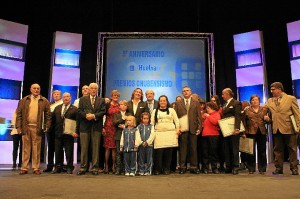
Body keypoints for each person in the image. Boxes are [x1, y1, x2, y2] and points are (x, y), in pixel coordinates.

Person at [265, 82, 300, 175]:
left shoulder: (290, 98)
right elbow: (263, 110)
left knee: (292, 148)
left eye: (273, 89)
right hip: (276, 127)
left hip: (289, 127)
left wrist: (298, 126)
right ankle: (278, 168)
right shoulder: (270, 101)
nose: (271, 91)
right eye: (271, 89)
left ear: (279, 89)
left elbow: (297, 114)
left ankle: (294, 168)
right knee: (277, 149)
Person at [16, 83, 51, 175]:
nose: (36, 90)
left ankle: (36, 167)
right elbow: (19, 114)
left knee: (36, 148)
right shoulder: (24, 100)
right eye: (34, 88)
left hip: (37, 128)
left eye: (38, 88)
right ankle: (24, 167)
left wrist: (47, 125)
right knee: (25, 148)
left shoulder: (44, 101)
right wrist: (18, 127)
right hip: (26, 127)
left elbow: (48, 115)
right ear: (31, 89)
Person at [77, 83, 106, 175]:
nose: (93, 90)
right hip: (84, 126)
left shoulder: (101, 100)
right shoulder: (82, 99)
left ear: (97, 90)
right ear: (89, 89)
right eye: (92, 88)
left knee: (96, 148)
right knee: (84, 148)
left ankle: (95, 168)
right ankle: (83, 168)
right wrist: (86, 116)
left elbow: (103, 111)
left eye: (95, 88)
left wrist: (93, 116)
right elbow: (79, 111)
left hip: (96, 127)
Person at [174, 86, 202, 174]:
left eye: (187, 91)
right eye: (184, 91)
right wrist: (177, 129)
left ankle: (194, 167)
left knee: (193, 149)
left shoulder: (196, 102)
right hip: (183, 130)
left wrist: (199, 128)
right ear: (182, 93)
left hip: (193, 129)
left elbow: (199, 116)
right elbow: (176, 117)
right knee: (183, 149)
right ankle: (182, 167)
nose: (185, 92)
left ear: (190, 92)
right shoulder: (178, 103)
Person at [152, 95, 180, 175]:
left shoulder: (171, 110)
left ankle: (166, 169)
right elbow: (152, 123)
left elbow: (177, 121)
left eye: (164, 100)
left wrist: (177, 130)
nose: (163, 102)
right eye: (161, 101)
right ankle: (158, 169)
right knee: (159, 153)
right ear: (159, 102)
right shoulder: (155, 111)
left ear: (167, 101)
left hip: (170, 133)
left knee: (168, 152)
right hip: (159, 133)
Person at [52, 92, 78, 174]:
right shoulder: (57, 108)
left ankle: (69, 167)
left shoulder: (74, 109)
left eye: (67, 97)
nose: (66, 98)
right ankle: (58, 167)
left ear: (70, 98)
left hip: (69, 134)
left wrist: (76, 132)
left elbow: (78, 122)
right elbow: (53, 120)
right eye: (64, 97)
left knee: (69, 151)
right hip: (58, 133)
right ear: (62, 98)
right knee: (58, 151)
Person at [243, 94, 270, 174]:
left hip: (261, 132)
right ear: (250, 101)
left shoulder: (264, 109)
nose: (255, 101)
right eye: (253, 100)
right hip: (250, 132)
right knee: (251, 151)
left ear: (259, 101)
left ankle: (262, 168)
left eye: (256, 100)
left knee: (262, 151)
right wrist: (243, 133)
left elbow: (269, 121)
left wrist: (268, 119)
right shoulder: (247, 110)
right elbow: (244, 122)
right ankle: (251, 168)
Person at [221, 88, 242, 175]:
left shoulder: (236, 103)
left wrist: (237, 128)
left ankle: (236, 166)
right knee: (227, 148)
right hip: (226, 130)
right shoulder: (225, 104)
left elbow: (238, 116)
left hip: (233, 129)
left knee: (234, 148)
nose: (222, 96)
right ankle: (228, 166)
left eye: (223, 94)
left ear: (228, 94)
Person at [44, 90, 63, 173]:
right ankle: (50, 165)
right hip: (50, 129)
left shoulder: (63, 104)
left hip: (58, 129)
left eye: (58, 94)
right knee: (50, 148)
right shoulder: (49, 104)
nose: (56, 95)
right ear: (52, 96)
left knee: (58, 148)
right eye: (54, 94)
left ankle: (58, 166)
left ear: (60, 96)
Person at [102, 90, 120, 174]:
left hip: (116, 128)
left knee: (114, 149)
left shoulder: (120, 106)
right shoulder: (107, 105)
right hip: (108, 127)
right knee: (107, 148)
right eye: (114, 95)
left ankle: (113, 166)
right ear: (111, 96)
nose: (115, 97)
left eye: (117, 95)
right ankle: (106, 166)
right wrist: (103, 127)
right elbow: (102, 116)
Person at [201, 102, 221, 174]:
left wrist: (208, 116)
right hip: (204, 135)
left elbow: (215, 122)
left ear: (213, 108)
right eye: (207, 108)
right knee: (205, 152)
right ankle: (205, 168)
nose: (207, 109)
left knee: (213, 152)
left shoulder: (216, 114)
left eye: (208, 108)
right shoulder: (206, 115)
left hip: (213, 135)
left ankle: (214, 168)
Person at [113, 100, 131, 175]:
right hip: (118, 135)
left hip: (127, 135)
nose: (123, 106)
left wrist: (125, 126)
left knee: (125, 152)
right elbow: (115, 123)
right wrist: (123, 119)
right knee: (118, 152)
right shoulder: (116, 114)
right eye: (121, 104)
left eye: (125, 105)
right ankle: (118, 168)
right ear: (119, 106)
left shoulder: (129, 114)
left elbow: (132, 122)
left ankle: (125, 168)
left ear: (127, 107)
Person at [211, 95, 225, 172]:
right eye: (211, 101)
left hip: (221, 131)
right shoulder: (209, 110)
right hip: (213, 131)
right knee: (214, 150)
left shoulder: (221, 109)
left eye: (214, 101)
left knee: (221, 149)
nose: (213, 102)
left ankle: (222, 165)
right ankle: (215, 166)